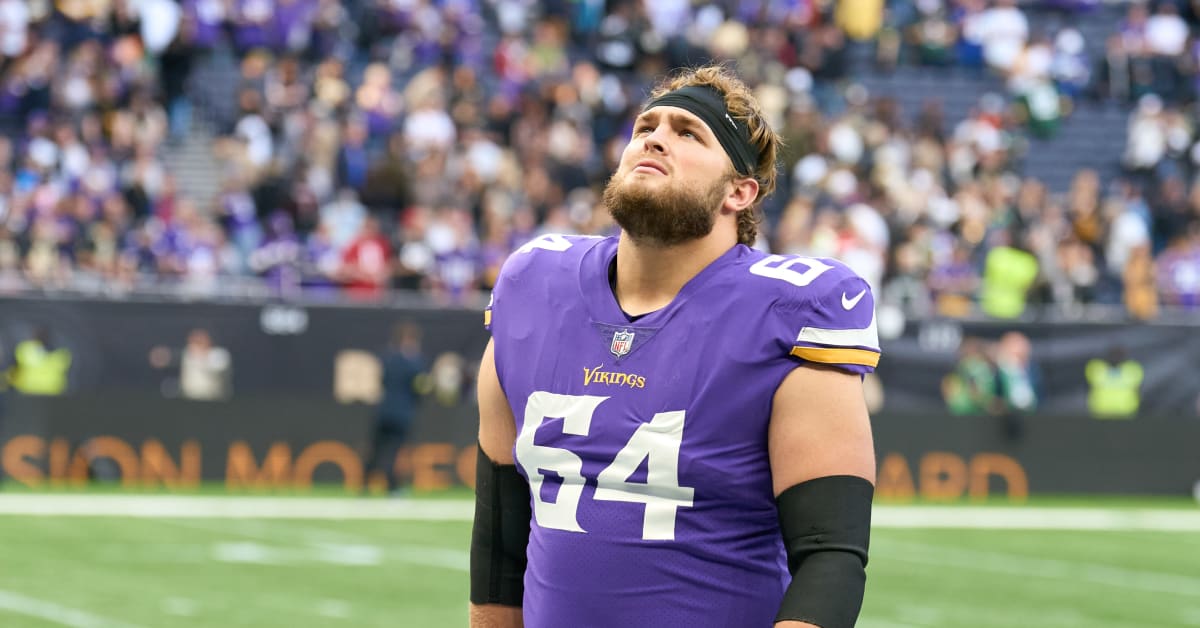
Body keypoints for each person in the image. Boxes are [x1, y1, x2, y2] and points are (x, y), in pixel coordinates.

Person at [470, 66, 879, 628]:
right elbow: (500, 533)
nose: (655, 137)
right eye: (646, 126)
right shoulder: (533, 287)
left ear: (739, 191)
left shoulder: (788, 313)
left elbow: (829, 554)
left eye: (689, 132)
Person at [364, 321, 428, 494]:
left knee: (376, 449)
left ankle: (364, 485)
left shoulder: (387, 358)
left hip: (383, 410)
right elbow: (420, 388)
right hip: (402, 413)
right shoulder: (415, 363)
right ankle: (392, 487)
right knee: (395, 452)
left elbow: (383, 381)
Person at [5, 327, 71, 396]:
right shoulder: (62, 355)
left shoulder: (24, 350)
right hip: (52, 393)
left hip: (27, 392)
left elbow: (12, 372)